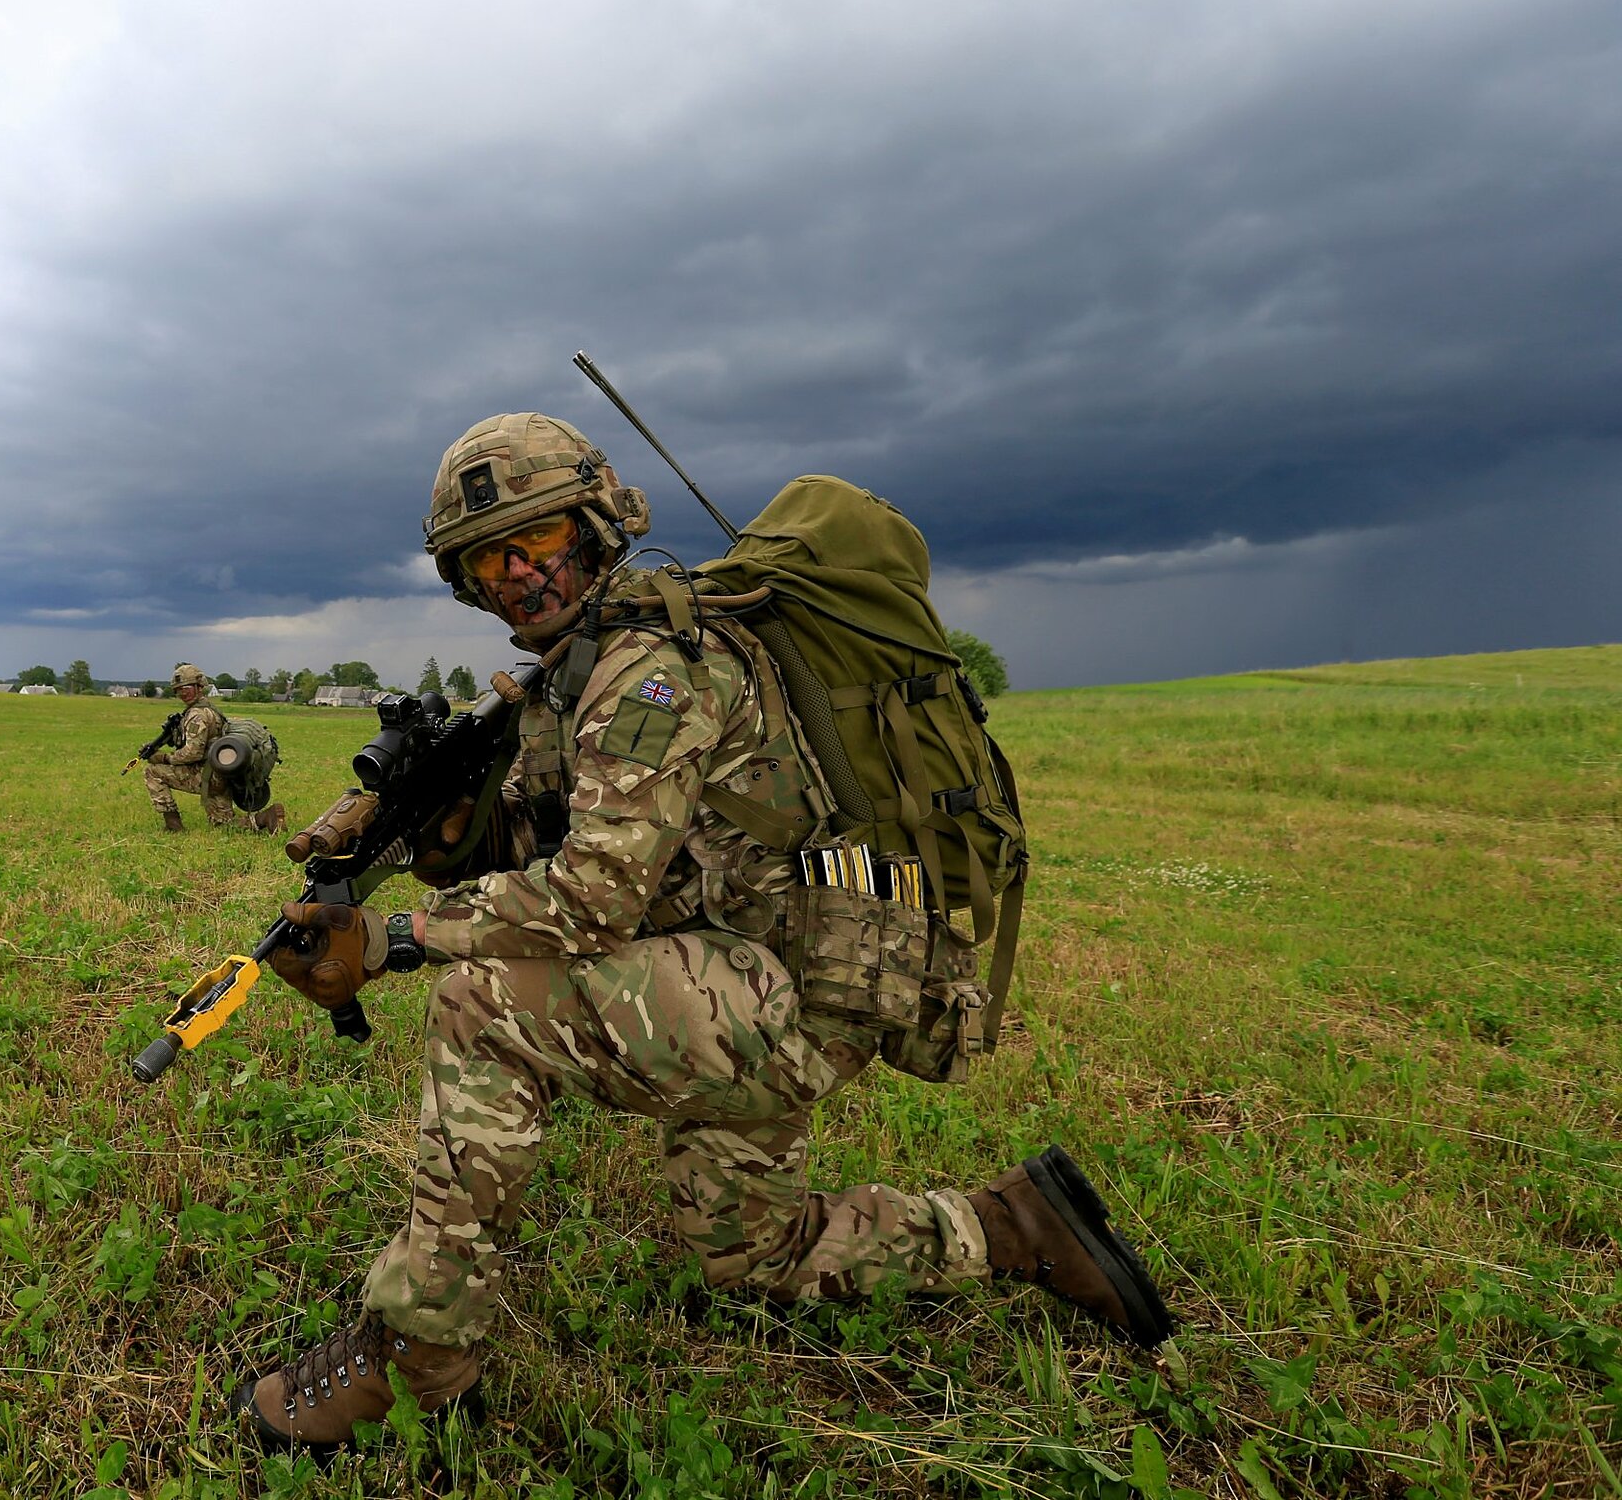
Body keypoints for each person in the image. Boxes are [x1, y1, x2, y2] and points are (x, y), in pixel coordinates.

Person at [231, 414, 1171, 1450]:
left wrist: (400, 934)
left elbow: (593, 898)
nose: (519, 576)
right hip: (763, 976)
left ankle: (418, 1359)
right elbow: (572, 846)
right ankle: (1011, 1228)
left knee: (483, 1006)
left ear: (596, 527)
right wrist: (459, 838)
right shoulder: (584, 667)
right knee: (754, 1252)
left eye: (539, 544)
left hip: (778, 992)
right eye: (490, 560)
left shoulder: (649, 668)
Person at [141, 662, 287, 835]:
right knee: (223, 825)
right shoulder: (209, 709)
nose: (182, 693)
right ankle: (266, 818)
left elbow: (192, 753)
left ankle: (173, 826)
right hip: (221, 774)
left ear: (199, 686)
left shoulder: (197, 715)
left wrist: (163, 758)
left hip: (208, 776)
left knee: (153, 772)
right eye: (178, 689)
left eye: (186, 687)